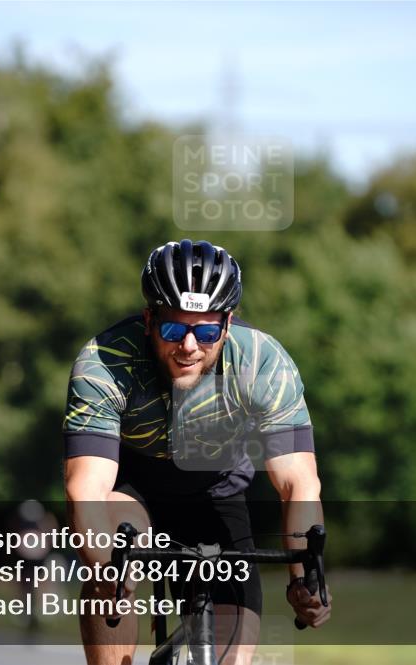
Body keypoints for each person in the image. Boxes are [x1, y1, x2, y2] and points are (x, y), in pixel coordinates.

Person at [63, 239, 330, 665]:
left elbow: (299, 482)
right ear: (149, 319)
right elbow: (86, 489)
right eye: (173, 329)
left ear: (227, 324)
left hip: (217, 495)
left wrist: (305, 579)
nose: (189, 345)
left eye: (205, 332)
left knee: (233, 658)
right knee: (111, 564)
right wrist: (104, 570)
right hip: (133, 492)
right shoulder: (107, 360)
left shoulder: (262, 362)